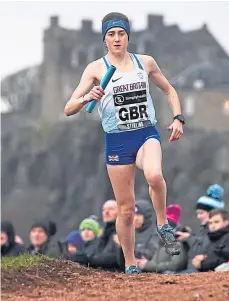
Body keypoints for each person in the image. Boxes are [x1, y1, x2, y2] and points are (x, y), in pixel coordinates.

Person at [64, 12, 184, 274]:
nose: (117, 39)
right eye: (111, 34)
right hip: (117, 141)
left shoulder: (145, 63)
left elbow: (169, 90)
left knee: (154, 174)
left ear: (128, 37)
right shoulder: (95, 69)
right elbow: (68, 108)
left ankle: (163, 224)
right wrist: (87, 97)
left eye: (121, 33)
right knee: (126, 210)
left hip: (145, 133)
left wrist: (178, 118)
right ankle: (130, 263)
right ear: (104, 39)